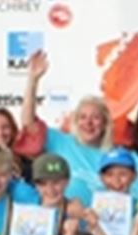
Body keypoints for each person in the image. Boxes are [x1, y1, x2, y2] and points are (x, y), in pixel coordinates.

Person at [19, 50, 115, 202]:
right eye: (83, 117)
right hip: (62, 222)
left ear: (105, 124)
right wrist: (33, 80)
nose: (88, 123)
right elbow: (28, 124)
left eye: (95, 118)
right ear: (75, 121)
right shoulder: (61, 142)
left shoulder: (114, 156)